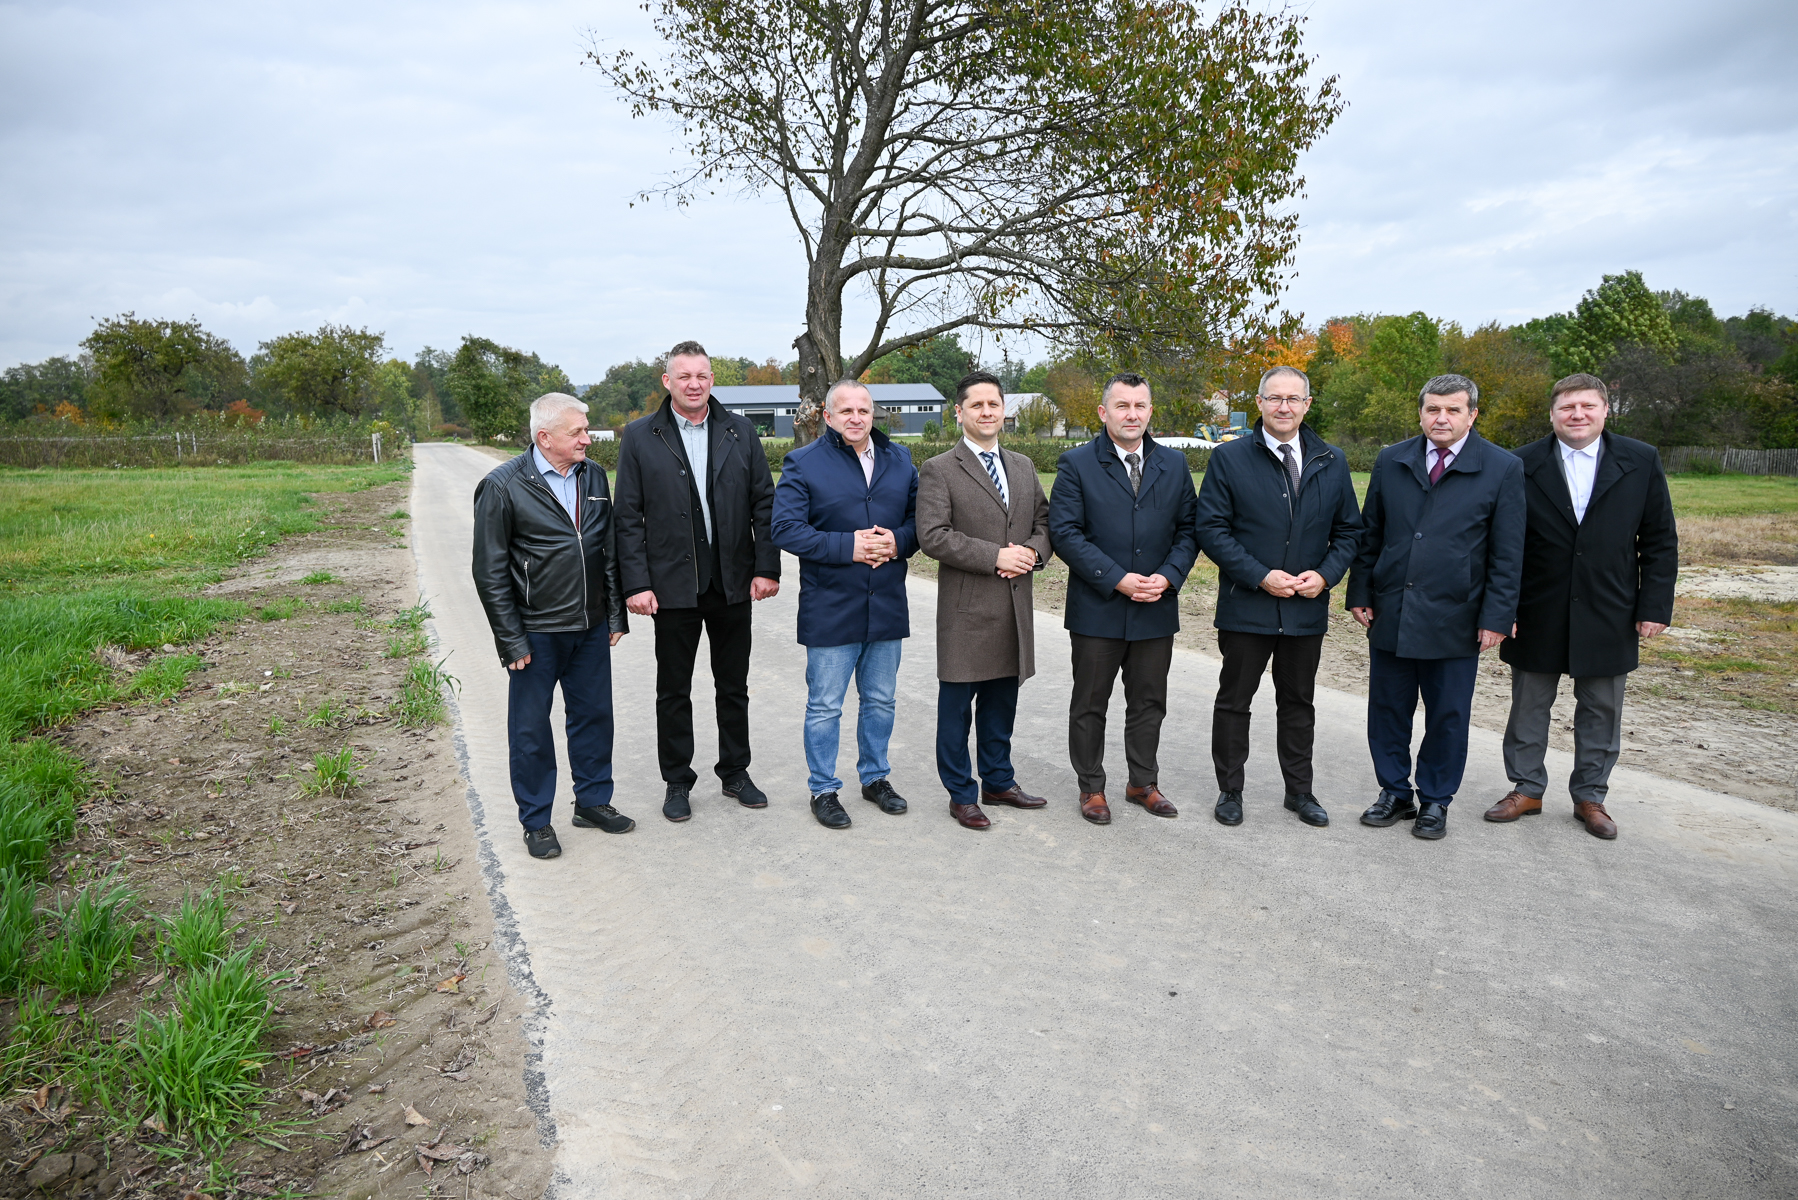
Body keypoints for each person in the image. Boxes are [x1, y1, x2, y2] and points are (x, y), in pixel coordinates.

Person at [1486, 374, 1678, 839]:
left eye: (1587, 406)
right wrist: (1502, 608)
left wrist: (1654, 606)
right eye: (1567, 407)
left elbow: (1659, 540)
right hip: (1536, 606)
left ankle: (1591, 796)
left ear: (1605, 410)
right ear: (1552, 413)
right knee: (1529, 706)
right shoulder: (1519, 463)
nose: (1578, 415)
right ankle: (1526, 788)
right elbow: (1500, 543)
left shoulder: (1640, 460)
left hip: (1610, 607)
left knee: (1601, 710)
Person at [1347, 374, 1524, 841]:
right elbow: (1371, 533)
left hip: (1457, 617)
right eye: (1432, 409)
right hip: (1393, 609)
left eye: (1452, 410)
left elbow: (1508, 553)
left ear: (1472, 415)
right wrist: (1360, 592)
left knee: (1448, 715)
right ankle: (1394, 792)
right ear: (1421, 412)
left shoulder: (1502, 468)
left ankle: (1435, 800)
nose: (1441, 418)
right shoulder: (1392, 460)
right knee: (1388, 709)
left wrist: (1496, 617)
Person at [614, 340, 782, 823]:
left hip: (733, 582)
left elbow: (764, 504)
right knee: (673, 690)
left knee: (733, 686)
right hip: (671, 586)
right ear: (667, 382)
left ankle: (735, 772)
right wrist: (636, 584)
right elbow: (627, 516)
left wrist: (766, 568)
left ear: (712, 380)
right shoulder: (640, 436)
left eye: (702, 375)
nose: (694, 384)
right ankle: (677, 781)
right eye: (684, 376)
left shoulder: (739, 431)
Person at [1195, 365, 1362, 828]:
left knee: (1298, 703)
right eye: (1274, 398)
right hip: (1246, 604)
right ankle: (1230, 790)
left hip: (1305, 607)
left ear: (1307, 405)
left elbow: (1349, 531)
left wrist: (1325, 576)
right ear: (1259, 403)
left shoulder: (1332, 460)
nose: (1283, 407)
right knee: (1235, 701)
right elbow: (1211, 528)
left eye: (1293, 399)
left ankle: (1300, 792)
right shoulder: (1229, 459)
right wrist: (1259, 575)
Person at [472, 393, 631, 860]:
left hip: (590, 626)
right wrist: (510, 639)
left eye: (586, 430)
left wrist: (614, 613)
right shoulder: (501, 486)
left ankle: (593, 801)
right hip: (535, 631)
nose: (587, 439)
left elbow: (606, 549)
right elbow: (489, 571)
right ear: (545, 437)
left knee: (594, 717)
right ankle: (537, 821)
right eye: (577, 432)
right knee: (531, 731)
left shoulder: (594, 476)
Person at [1048, 372, 1200, 825]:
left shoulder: (1174, 464)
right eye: (1122, 406)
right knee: (1090, 703)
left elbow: (1189, 530)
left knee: (1149, 702)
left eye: (1139, 406)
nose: (1131, 414)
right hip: (1098, 608)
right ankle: (1091, 787)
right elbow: (1065, 533)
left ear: (1150, 411)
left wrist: (1168, 577)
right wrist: (1116, 579)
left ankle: (1142, 783)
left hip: (1156, 606)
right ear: (1103, 412)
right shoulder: (1076, 464)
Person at [770, 379, 920, 829]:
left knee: (881, 700)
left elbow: (920, 522)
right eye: (846, 411)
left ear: (874, 414)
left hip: (886, 603)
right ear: (828, 416)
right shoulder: (803, 462)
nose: (856, 418)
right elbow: (785, 528)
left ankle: (875, 778)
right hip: (831, 605)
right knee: (825, 706)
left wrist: (898, 541)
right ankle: (823, 789)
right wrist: (847, 547)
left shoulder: (900, 460)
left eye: (864, 410)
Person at [916, 370, 1054, 830]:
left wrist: (1032, 553)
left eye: (993, 404)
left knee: (1001, 704)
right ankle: (961, 794)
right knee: (956, 711)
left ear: (1003, 409)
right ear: (959, 413)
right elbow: (933, 535)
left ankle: (998, 781)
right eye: (976, 405)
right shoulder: (939, 468)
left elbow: (1044, 521)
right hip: (966, 612)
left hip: (1013, 608)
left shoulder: (1023, 465)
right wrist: (996, 556)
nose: (986, 412)